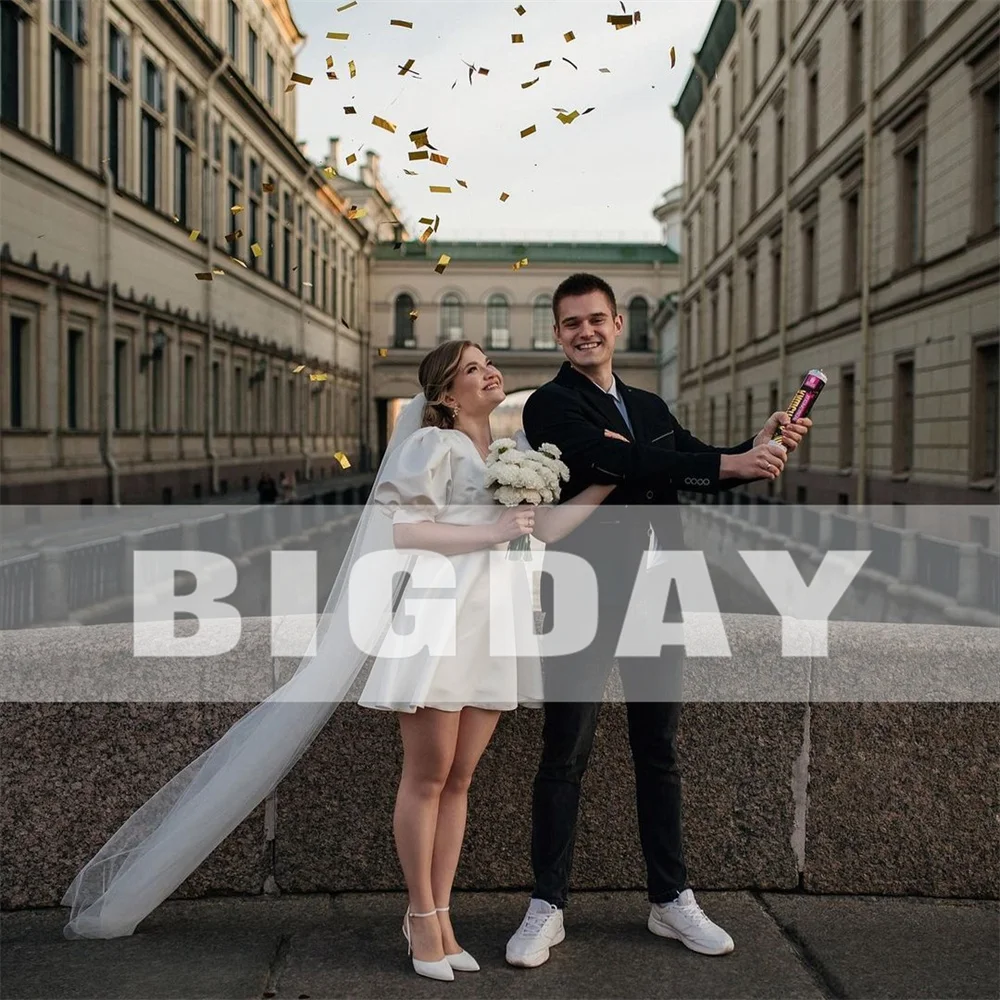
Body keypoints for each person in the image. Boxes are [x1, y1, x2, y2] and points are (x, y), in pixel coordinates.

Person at [57, 339, 619, 983]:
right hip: (439, 620)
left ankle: (442, 918)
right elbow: (403, 531)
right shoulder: (430, 447)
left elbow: (541, 531)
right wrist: (491, 532)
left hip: (495, 622)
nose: (488, 369)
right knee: (428, 778)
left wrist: (607, 477)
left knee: (460, 780)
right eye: (471, 367)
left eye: (487, 360)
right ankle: (421, 917)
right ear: (443, 395)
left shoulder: (507, 454)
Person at [505, 272, 811, 968]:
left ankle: (670, 900)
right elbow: (614, 460)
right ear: (558, 334)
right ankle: (546, 906)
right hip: (582, 593)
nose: (585, 331)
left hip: (659, 591)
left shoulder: (648, 401)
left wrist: (751, 445)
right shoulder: (548, 406)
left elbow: (677, 463)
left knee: (660, 751)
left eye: (596, 320)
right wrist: (722, 462)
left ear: (617, 326)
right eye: (571, 323)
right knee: (565, 751)